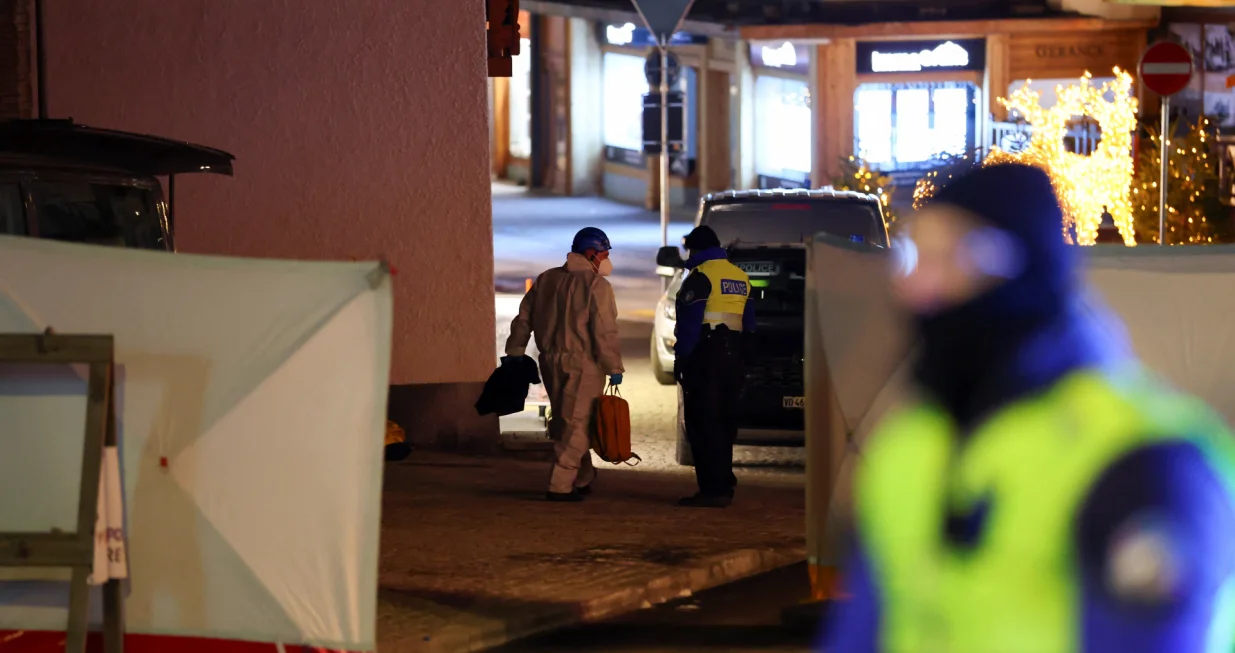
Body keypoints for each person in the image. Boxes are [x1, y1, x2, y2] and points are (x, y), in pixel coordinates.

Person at [827, 163, 1235, 652]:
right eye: (916, 257)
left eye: (952, 257)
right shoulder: (905, 446)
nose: (921, 287)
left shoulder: (1140, 459)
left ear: (1024, 268)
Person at [506, 227, 624, 502]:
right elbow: (604, 331)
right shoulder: (597, 287)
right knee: (578, 424)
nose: (607, 260)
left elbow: (524, 317)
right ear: (591, 253)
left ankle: (582, 476)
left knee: (567, 419)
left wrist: (515, 349)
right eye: (605, 254)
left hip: (550, 361)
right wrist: (614, 367)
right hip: (584, 364)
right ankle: (560, 486)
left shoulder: (548, 279)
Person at [673, 225, 756, 508]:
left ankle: (712, 489)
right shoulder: (740, 276)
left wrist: (682, 358)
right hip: (733, 356)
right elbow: (750, 324)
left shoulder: (701, 277)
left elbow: (689, 324)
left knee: (702, 422)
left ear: (695, 249)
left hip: (705, 355)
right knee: (724, 421)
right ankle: (723, 482)